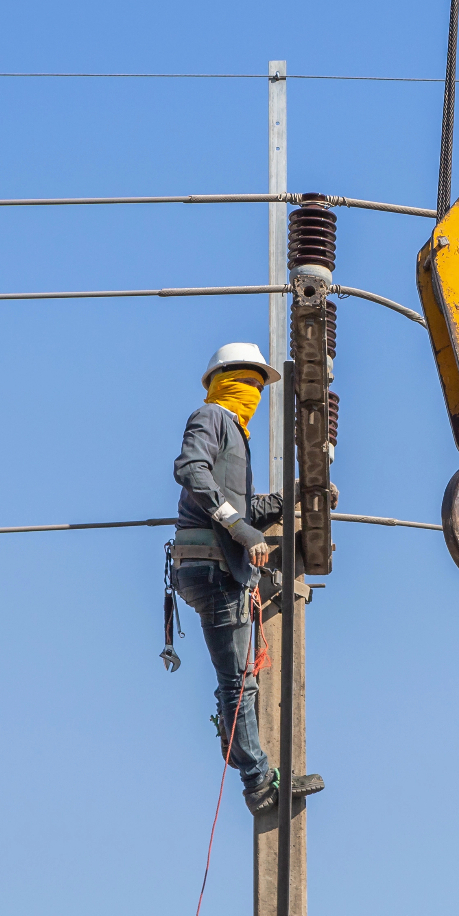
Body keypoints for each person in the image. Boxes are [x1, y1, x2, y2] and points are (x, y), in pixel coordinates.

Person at [171, 341, 324, 815]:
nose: (255, 393)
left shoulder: (237, 434)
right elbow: (190, 471)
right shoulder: (211, 418)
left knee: (243, 682)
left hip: (224, 569)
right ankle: (258, 781)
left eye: (260, 385)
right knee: (237, 682)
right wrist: (239, 528)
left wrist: (294, 496)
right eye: (250, 383)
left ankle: (244, 755)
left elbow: (244, 505)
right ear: (226, 380)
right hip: (210, 566)